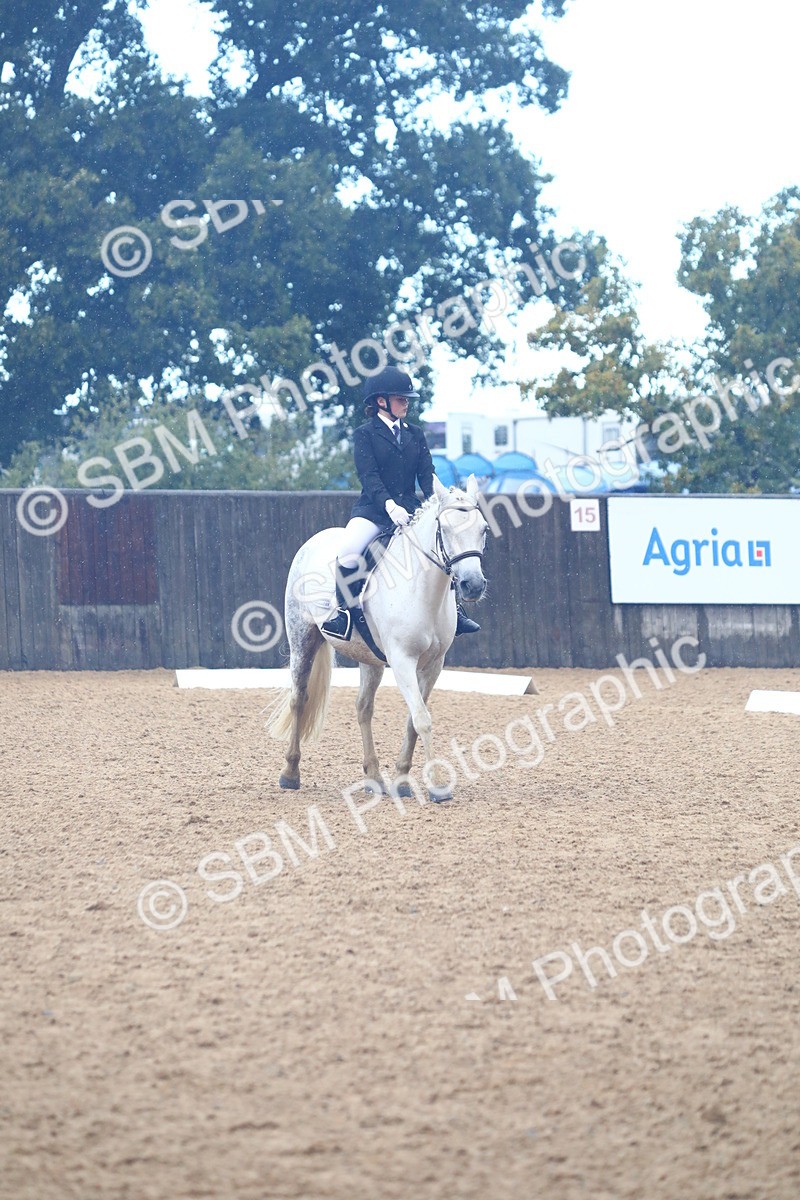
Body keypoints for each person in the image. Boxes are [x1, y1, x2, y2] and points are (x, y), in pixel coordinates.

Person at [321, 364, 481, 640]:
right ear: (381, 402)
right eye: (400, 399)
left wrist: (442, 501)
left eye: (406, 399)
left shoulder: (414, 434)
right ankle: (344, 614)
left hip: (411, 512)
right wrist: (388, 505)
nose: (406, 403)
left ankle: (456, 611)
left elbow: (426, 475)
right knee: (348, 549)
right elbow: (369, 477)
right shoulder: (365, 434)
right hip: (373, 511)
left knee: (445, 548)